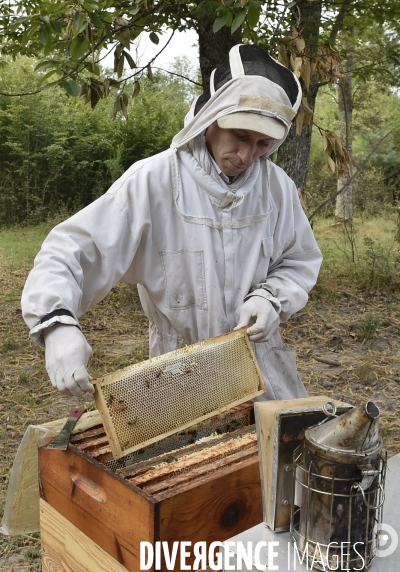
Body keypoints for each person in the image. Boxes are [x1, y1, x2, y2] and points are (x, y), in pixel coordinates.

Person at [21, 44, 322, 401]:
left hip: (260, 365)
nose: (246, 156)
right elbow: (70, 252)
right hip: (178, 371)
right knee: (185, 458)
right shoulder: (153, 180)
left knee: (276, 454)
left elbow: (299, 260)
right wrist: (58, 326)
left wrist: (271, 299)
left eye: (262, 143)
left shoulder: (277, 188)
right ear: (212, 117)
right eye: (240, 136)